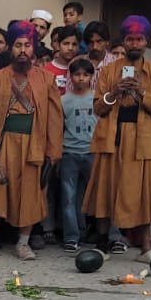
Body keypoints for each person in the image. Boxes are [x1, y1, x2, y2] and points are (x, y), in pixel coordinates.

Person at [0, 21, 63, 262]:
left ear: (33, 48)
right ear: (10, 48)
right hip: (1, 145)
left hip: (33, 145)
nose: (23, 50)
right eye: (18, 45)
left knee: (30, 195)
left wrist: (53, 151)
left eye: (27, 45)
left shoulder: (47, 79)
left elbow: (55, 118)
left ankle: (23, 244)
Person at [84, 17, 151, 259]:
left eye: (139, 39)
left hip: (141, 141)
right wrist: (114, 92)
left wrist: (142, 92)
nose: (134, 44)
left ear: (146, 41)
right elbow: (98, 108)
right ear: (124, 41)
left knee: (143, 195)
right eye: (130, 39)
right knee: (105, 192)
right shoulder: (109, 71)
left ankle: (146, 246)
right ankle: (102, 244)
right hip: (112, 137)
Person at [57, 58, 97, 253]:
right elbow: (59, 127)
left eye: (86, 74)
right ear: (70, 77)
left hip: (92, 152)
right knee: (69, 197)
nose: (81, 78)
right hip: (69, 152)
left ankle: (101, 234)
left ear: (92, 77)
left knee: (97, 195)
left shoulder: (98, 99)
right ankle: (72, 237)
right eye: (77, 74)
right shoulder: (63, 100)